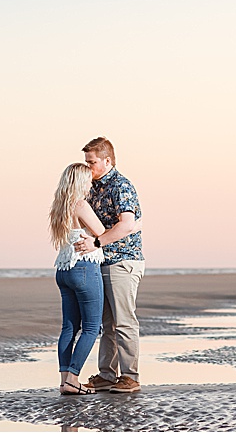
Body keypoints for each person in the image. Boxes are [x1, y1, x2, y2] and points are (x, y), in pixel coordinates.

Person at [73, 136, 145, 394]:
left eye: (91, 162)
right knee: (108, 323)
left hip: (123, 261)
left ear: (107, 160)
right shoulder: (91, 187)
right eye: (86, 162)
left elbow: (127, 224)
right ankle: (106, 375)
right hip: (102, 261)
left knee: (124, 321)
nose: (88, 166)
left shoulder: (121, 186)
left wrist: (97, 242)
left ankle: (130, 377)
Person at [48, 162, 106, 395]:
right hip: (84, 267)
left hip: (63, 270)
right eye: (88, 179)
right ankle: (73, 379)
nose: (91, 183)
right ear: (81, 181)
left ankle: (64, 381)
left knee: (69, 328)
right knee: (92, 328)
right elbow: (101, 231)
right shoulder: (80, 204)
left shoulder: (58, 207)